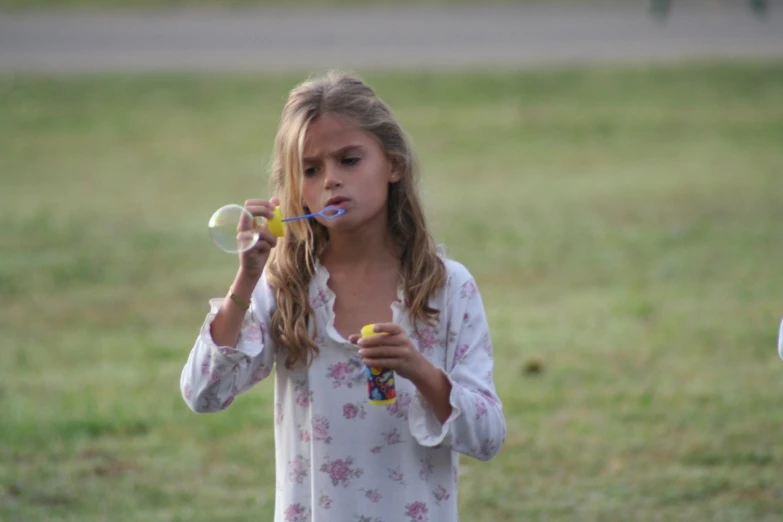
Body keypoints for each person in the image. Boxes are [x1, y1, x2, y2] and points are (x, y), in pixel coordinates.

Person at [180, 69, 506, 522]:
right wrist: (246, 281)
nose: (331, 180)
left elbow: (487, 436)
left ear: (394, 165)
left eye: (349, 160)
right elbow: (203, 393)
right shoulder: (285, 287)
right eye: (311, 170)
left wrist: (418, 369)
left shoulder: (447, 288)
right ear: (296, 190)